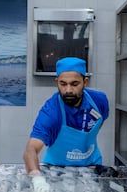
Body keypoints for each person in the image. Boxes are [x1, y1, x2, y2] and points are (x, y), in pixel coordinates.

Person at [23, 57, 109, 192]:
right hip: (56, 170)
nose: (68, 90)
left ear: (85, 82)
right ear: (57, 82)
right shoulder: (51, 112)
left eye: (75, 84)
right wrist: (37, 178)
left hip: (91, 166)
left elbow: (99, 124)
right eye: (63, 84)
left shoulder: (99, 101)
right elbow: (30, 150)